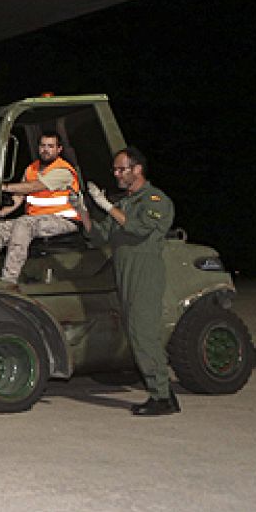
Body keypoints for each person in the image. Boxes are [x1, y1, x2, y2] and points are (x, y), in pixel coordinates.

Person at [85, 146, 178, 415]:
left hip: (144, 272)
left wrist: (107, 206)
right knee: (137, 334)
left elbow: (138, 228)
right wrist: (84, 212)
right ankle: (164, 393)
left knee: (143, 334)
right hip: (124, 272)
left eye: (121, 169)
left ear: (137, 170)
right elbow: (101, 236)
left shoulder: (155, 200)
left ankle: (161, 397)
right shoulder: (124, 203)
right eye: (115, 169)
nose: (116, 174)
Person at [0, 131, 81, 283]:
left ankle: (9, 279)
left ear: (59, 150)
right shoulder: (31, 169)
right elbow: (19, 196)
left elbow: (34, 186)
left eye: (50, 146)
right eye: (43, 146)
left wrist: (3, 187)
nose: (46, 149)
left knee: (23, 224)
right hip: (36, 219)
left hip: (64, 220)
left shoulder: (63, 171)